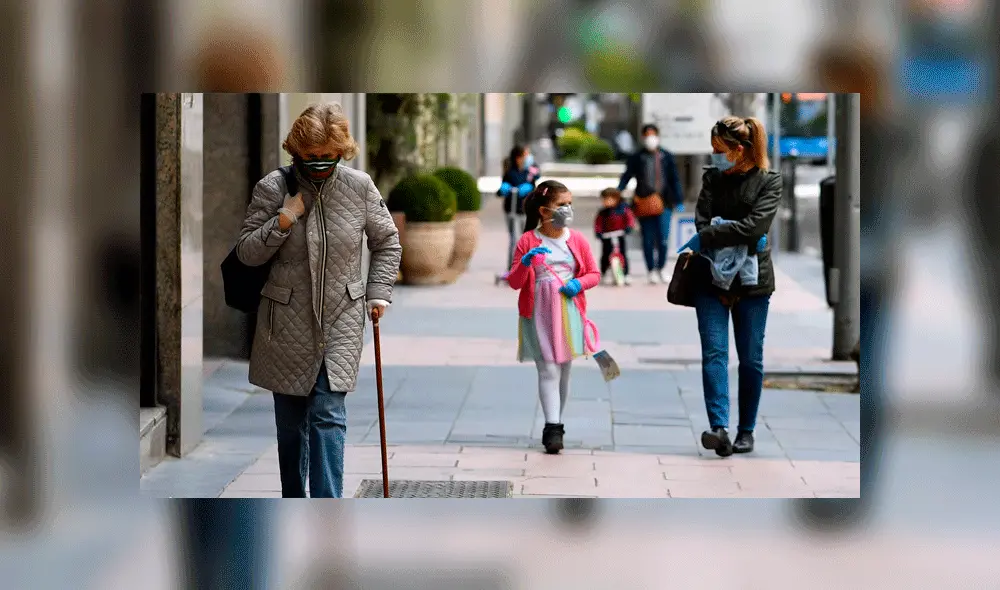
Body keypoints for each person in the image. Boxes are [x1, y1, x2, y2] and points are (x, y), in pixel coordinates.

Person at [236, 102, 402, 497]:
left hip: (341, 316)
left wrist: (378, 292)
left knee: (328, 414)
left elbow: (387, 241)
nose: (320, 164)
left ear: (341, 152)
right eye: (312, 157)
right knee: (291, 425)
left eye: (329, 156)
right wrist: (283, 220)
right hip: (286, 320)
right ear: (297, 151)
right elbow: (246, 252)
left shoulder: (359, 187)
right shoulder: (272, 188)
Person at [677, 116, 781, 457]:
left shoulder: (769, 181)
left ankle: (746, 431)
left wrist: (710, 233)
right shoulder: (712, 178)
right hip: (710, 277)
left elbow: (753, 228)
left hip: (754, 282)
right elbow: (702, 221)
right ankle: (718, 427)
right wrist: (718, 230)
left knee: (750, 359)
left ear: (739, 150)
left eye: (720, 150)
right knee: (715, 354)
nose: (716, 156)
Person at [507, 180, 601, 454]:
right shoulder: (528, 241)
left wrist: (578, 284)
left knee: (564, 370)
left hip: (569, 310)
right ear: (543, 210)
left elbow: (593, 274)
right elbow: (514, 281)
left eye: (570, 204)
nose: (567, 210)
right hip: (538, 311)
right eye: (562, 205)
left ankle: (557, 419)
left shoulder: (577, 240)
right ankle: (553, 427)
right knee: (548, 368)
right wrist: (525, 264)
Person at [617, 123, 685, 285]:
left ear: (658, 136)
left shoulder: (666, 156)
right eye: (647, 135)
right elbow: (627, 175)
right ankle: (650, 270)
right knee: (647, 239)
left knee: (663, 238)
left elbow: (674, 179)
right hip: (643, 203)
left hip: (665, 202)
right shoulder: (637, 157)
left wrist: (679, 199)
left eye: (653, 135)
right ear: (643, 137)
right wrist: (618, 191)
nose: (650, 138)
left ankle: (661, 268)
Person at [497, 145, 541, 273]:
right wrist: (504, 189)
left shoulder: (530, 170)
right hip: (511, 209)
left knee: (528, 237)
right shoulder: (510, 172)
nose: (527, 157)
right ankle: (512, 267)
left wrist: (529, 186)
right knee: (513, 238)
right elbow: (501, 190)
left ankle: (530, 266)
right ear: (518, 158)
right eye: (525, 155)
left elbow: (535, 181)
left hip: (525, 210)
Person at [593, 187, 636, 285]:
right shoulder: (603, 212)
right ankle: (604, 273)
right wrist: (598, 232)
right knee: (605, 255)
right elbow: (598, 223)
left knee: (623, 254)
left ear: (616, 199)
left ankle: (626, 274)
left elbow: (629, 219)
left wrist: (628, 227)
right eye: (604, 199)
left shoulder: (623, 209)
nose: (606, 202)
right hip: (607, 237)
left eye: (608, 199)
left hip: (620, 236)